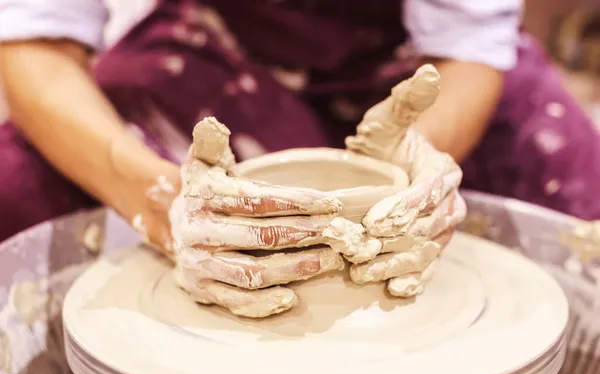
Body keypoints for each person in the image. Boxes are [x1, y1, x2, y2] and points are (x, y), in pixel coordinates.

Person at [0, 0, 599, 249]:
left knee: (580, 223)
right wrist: (157, 201)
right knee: (16, 190)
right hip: (225, 38)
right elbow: (37, 39)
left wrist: (411, 164)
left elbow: (467, 41)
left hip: (428, 65)